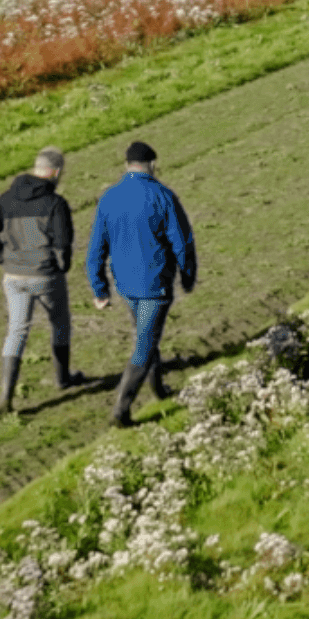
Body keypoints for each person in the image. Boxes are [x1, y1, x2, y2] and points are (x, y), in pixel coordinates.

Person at [85, 139, 196, 427]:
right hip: (154, 284)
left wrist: (100, 288)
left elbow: (96, 247)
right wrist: (188, 275)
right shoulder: (163, 196)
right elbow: (182, 241)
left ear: (126, 166)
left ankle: (159, 390)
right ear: (153, 165)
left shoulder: (109, 198)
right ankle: (120, 412)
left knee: (147, 335)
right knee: (145, 346)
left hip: (125, 285)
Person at [0, 146, 86, 415]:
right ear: (56, 172)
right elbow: (63, 243)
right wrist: (63, 267)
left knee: (17, 331)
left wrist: (5, 260)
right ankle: (63, 379)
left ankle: (5, 398)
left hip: (13, 277)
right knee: (60, 323)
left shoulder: (6, 199)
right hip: (45, 275)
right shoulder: (55, 203)